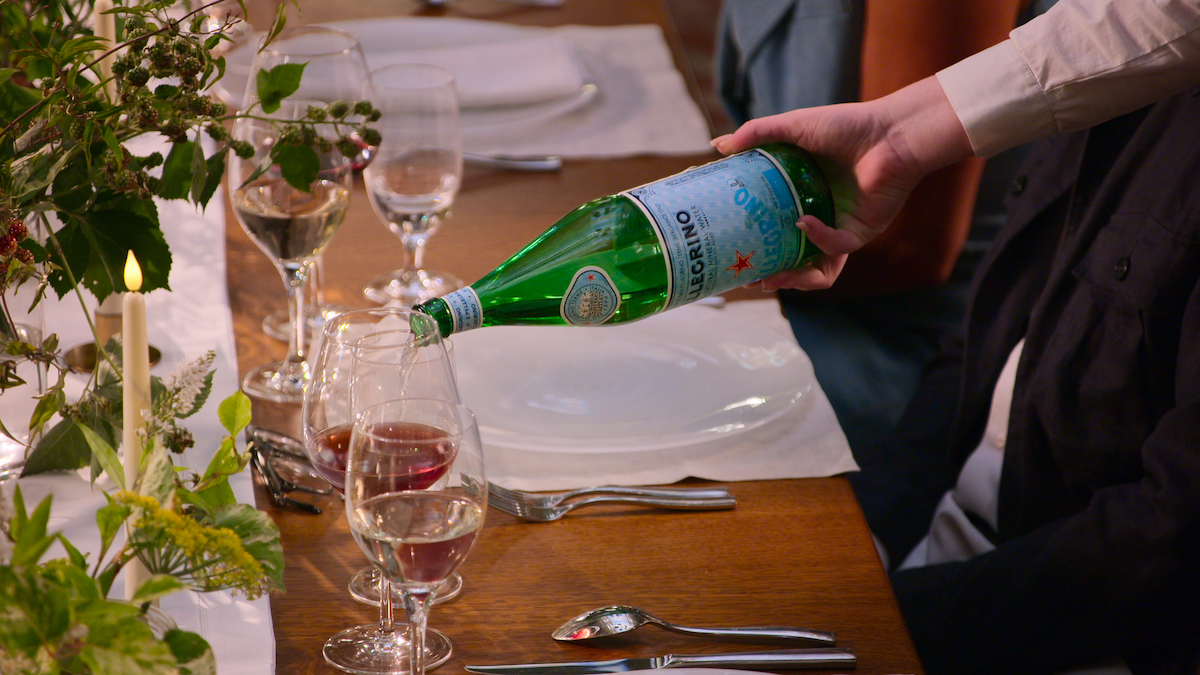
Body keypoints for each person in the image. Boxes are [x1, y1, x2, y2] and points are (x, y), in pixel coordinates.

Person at [713, 0, 1200, 672]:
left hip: (1061, 630)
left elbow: (1165, 548)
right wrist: (863, 539)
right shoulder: (1102, 60)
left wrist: (873, 618)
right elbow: (980, 344)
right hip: (944, 554)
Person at [716, 0, 1040, 453]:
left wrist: (707, 275)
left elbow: (908, 249)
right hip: (796, 296)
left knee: (653, 397)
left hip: (906, 340)